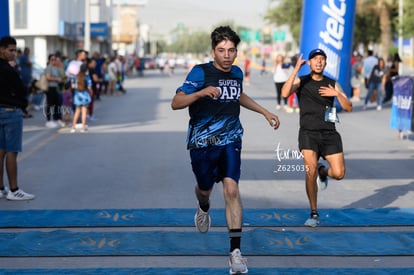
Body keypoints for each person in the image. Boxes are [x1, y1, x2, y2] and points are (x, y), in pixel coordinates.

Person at [171, 26, 280, 274]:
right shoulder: (200, 72)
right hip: (202, 143)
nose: (227, 55)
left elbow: (238, 95)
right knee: (205, 188)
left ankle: (235, 254)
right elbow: (176, 103)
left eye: (231, 50)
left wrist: (264, 111)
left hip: (231, 139)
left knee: (231, 189)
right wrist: (199, 93)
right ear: (213, 51)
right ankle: (204, 205)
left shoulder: (237, 73)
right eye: (222, 50)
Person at [281, 49, 352, 227]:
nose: (319, 62)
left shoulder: (332, 84)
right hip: (308, 134)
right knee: (309, 171)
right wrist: (295, 69)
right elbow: (284, 93)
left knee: (339, 173)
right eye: (315, 59)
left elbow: (349, 107)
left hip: (329, 134)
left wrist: (338, 95)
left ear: (325, 63)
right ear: (310, 63)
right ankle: (313, 213)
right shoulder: (302, 81)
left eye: (322, 59)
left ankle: (323, 172)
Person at [0, 36, 35, 200]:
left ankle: (1, 189)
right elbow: (21, 90)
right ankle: (14, 190)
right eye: (11, 50)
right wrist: (22, 104)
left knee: (0, 151)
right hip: (10, 112)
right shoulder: (8, 69)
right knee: (12, 151)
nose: (14, 54)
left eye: (15, 50)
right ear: (2, 49)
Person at [44, 54, 65, 128]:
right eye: (52, 59)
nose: (54, 61)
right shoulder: (49, 67)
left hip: (56, 87)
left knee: (56, 104)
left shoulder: (55, 68)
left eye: (55, 59)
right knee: (50, 104)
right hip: (50, 87)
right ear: (49, 60)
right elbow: (48, 77)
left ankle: (57, 119)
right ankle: (49, 120)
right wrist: (56, 79)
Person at [71, 63, 92, 133]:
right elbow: (89, 87)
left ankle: (73, 127)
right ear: (86, 69)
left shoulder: (75, 76)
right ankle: (83, 127)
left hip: (77, 95)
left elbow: (72, 86)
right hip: (84, 94)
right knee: (84, 111)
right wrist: (91, 92)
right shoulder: (87, 76)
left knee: (77, 111)